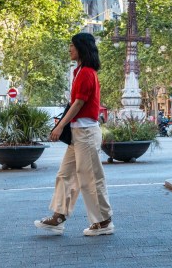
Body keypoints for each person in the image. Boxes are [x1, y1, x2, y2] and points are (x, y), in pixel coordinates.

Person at [35, 33, 113, 236]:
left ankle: (103, 222)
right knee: (65, 175)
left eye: (72, 45)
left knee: (90, 179)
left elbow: (78, 103)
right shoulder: (78, 71)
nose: (69, 49)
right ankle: (58, 216)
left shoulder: (87, 72)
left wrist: (60, 126)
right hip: (79, 133)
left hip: (86, 132)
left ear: (81, 48)